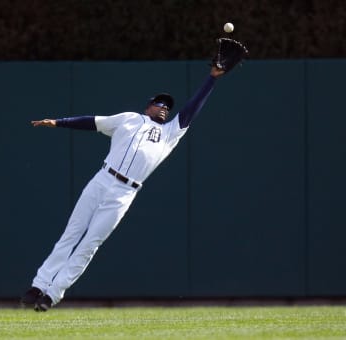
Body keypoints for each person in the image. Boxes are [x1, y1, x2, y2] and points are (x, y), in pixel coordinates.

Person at [21, 65, 225, 311]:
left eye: (167, 106)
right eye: (159, 103)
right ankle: (38, 286)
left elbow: (192, 109)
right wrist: (58, 122)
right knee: (71, 234)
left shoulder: (170, 133)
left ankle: (52, 295)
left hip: (125, 193)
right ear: (148, 106)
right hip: (102, 179)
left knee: (90, 244)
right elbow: (93, 122)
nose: (164, 108)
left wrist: (211, 79)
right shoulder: (129, 118)